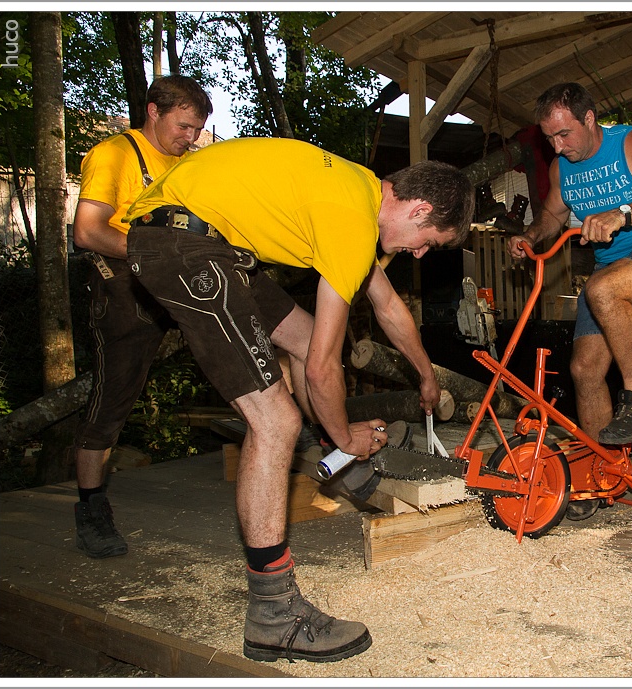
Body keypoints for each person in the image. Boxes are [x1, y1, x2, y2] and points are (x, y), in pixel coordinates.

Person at [124, 137, 474, 663]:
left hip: (208, 242)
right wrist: (347, 435)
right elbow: (320, 370)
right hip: (184, 246)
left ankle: (344, 468)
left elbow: (387, 307)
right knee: (276, 420)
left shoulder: (356, 191)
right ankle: (273, 611)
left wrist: (427, 376)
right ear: (419, 209)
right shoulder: (350, 220)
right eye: (429, 241)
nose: (420, 253)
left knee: (308, 337)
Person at [506, 82, 632, 448]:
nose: (557, 147)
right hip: (609, 270)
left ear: (590, 119)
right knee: (584, 369)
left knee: (602, 288)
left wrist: (622, 214)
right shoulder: (562, 168)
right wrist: (530, 237)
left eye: (564, 134)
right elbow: (553, 215)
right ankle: (603, 464)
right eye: (550, 138)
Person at [71, 75, 212, 559]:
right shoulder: (114, 154)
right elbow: (88, 232)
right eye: (183, 126)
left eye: (196, 129)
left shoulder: (188, 163)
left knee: (255, 333)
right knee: (114, 398)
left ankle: (299, 439)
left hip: (178, 278)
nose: (190, 137)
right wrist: (151, 255)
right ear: (153, 110)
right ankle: (91, 508)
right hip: (124, 282)